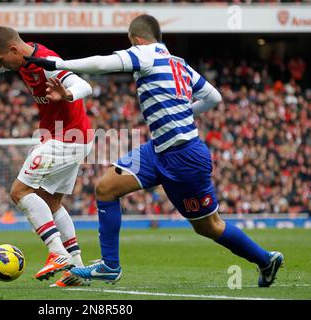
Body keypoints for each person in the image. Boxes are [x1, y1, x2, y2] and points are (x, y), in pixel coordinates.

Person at [25, 14, 284, 287]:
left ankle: (266, 259)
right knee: (105, 188)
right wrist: (185, 112)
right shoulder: (180, 64)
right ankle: (110, 266)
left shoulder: (145, 53)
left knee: (209, 226)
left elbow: (103, 63)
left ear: (136, 40)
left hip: (184, 155)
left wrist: (58, 64)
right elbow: (213, 97)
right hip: (157, 150)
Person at [0, 26, 94, 287]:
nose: (0, 65)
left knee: (19, 191)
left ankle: (58, 253)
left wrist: (66, 93)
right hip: (72, 137)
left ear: (13, 49)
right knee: (51, 202)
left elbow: (84, 85)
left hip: (66, 137)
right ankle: (77, 269)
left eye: (2, 59)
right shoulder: (20, 59)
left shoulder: (45, 61)